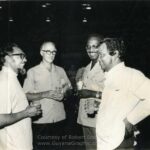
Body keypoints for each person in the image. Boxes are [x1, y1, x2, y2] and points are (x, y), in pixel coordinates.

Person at [96, 38, 150, 150]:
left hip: (119, 143)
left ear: (115, 54)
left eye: (102, 55)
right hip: (104, 142)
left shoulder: (132, 75)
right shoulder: (109, 77)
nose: (98, 59)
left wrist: (131, 120)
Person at [23, 41, 72, 149]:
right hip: (41, 121)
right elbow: (26, 95)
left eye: (53, 52)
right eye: (48, 51)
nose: (51, 54)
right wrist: (45, 94)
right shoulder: (32, 72)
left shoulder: (60, 71)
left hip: (60, 119)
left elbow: (69, 89)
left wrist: (64, 95)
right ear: (41, 52)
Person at [0, 43, 41, 150]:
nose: (25, 60)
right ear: (7, 58)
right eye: (20, 56)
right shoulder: (5, 81)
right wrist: (26, 113)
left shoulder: (12, 78)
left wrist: (27, 110)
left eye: (25, 56)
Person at [76, 34, 105, 150]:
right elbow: (82, 90)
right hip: (85, 116)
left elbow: (115, 95)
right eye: (88, 47)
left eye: (95, 46)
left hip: (99, 118)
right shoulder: (86, 68)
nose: (91, 49)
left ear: (102, 47)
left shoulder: (106, 66)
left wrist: (91, 93)